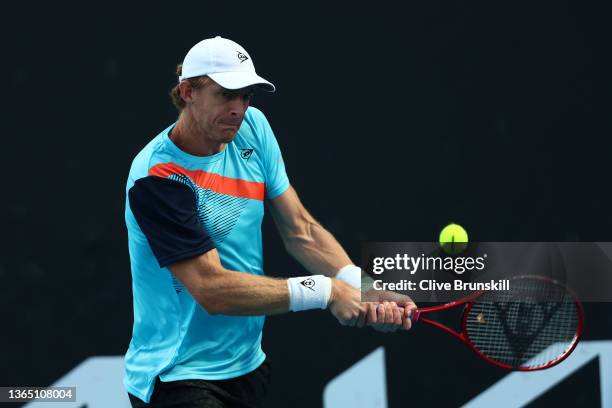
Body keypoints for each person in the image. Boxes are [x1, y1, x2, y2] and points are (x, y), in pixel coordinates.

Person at [124, 36, 416, 408]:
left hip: (246, 366)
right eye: (226, 94)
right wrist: (326, 291)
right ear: (187, 92)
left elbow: (301, 229)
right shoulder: (158, 178)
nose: (238, 109)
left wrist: (359, 284)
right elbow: (211, 289)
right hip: (179, 377)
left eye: (246, 96)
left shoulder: (253, 128)